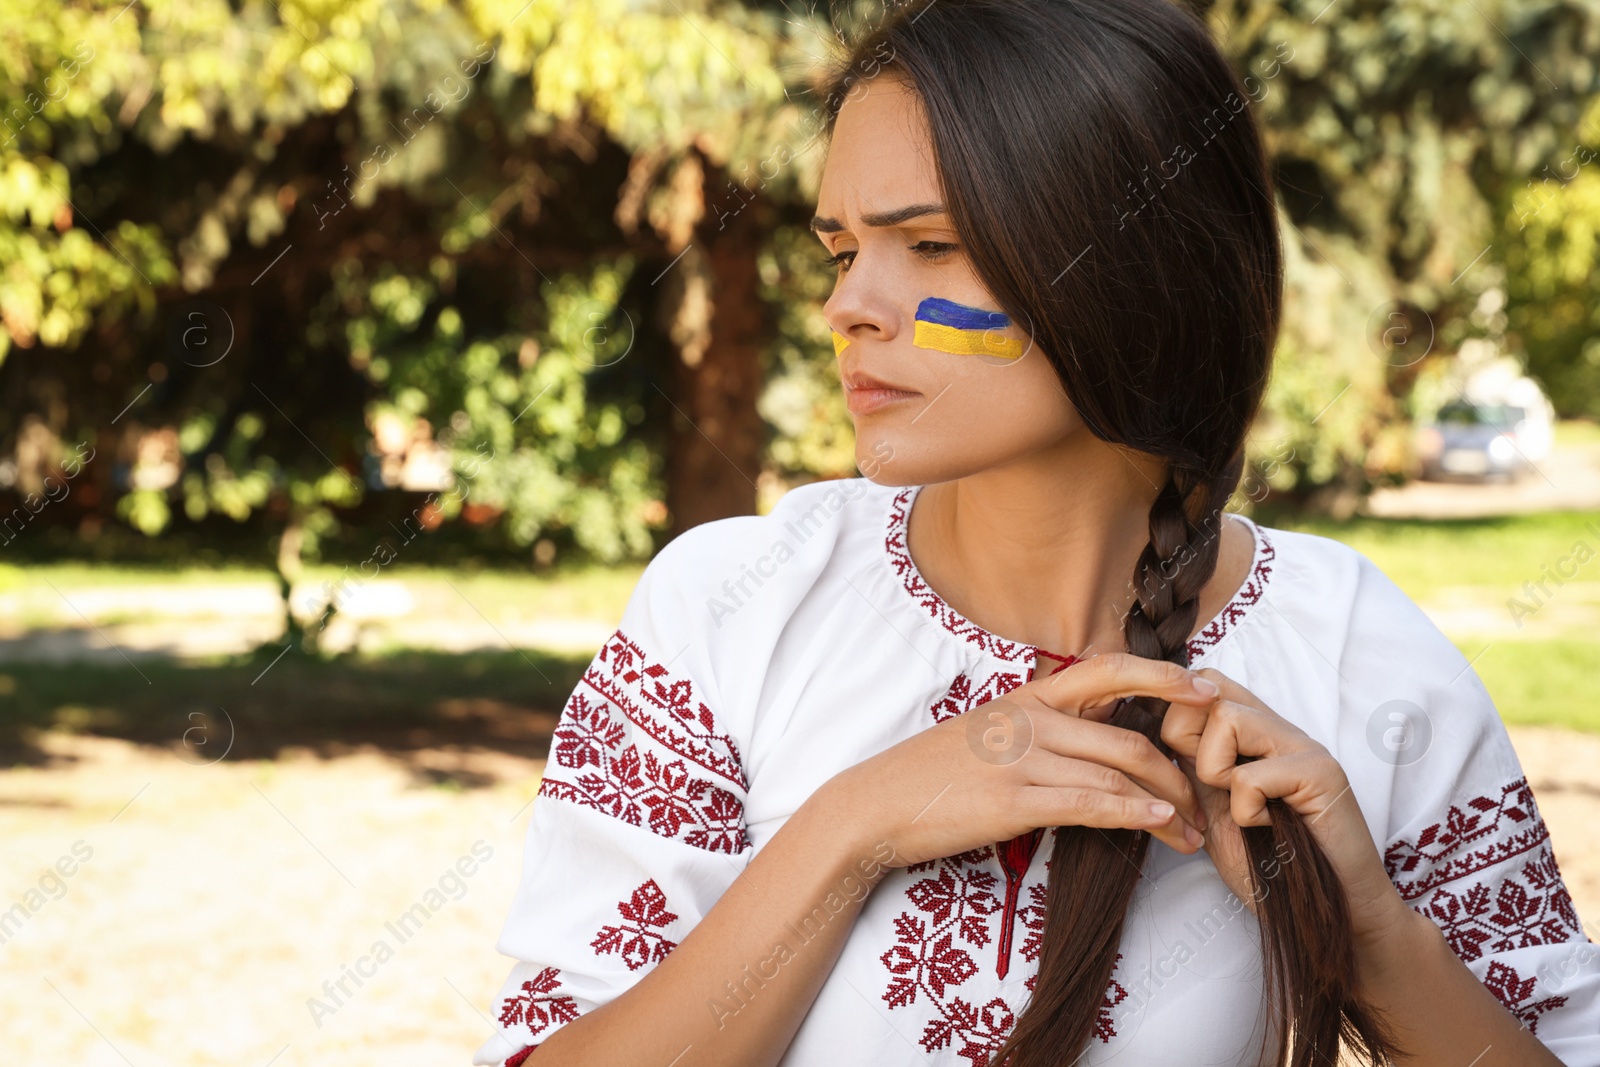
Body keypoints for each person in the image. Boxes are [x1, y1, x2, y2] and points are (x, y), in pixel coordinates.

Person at [473, 1, 1600, 1064]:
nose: (848, 305)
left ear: (1128, 273)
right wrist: (851, 827)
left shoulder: (1356, 653)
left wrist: (1362, 933)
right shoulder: (730, 604)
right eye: (840, 249)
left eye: (928, 247)